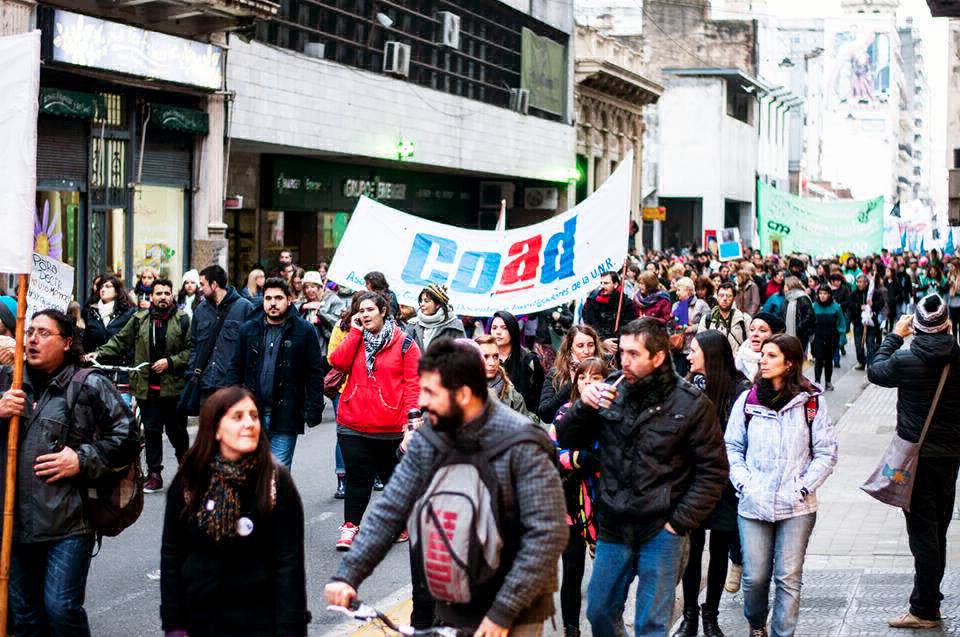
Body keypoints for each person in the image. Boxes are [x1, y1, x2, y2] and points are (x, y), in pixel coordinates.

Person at [325, 338, 567, 635]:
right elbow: (391, 508)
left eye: (431, 393)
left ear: (463, 394)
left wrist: (503, 612)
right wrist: (348, 574)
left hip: (515, 606)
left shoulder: (522, 443)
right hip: (455, 603)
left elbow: (546, 534)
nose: (421, 402)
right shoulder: (431, 437)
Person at [556, 317, 729, 637]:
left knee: (651, 622)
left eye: (634, 354)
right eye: (622, 352)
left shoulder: (691, 404)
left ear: (659, 357)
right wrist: (584, 407)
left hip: (662, 529)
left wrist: (679, 521)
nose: (624, 361)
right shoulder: (612, 390)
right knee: (600, 610)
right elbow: (565, 438)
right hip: (614, 524)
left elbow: (713, 471)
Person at [0, 309, 139, 637]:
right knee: (24, 618)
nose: (33, 339)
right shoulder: (9, 379)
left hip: (69, 523)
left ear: (66, 342)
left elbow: (128, 437)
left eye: (44, 333)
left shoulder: (88, 384)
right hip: (13, 523)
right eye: (30, 331)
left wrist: (82, 459)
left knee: (61, 610)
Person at [160, 386, 308, 637]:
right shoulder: (189, 482)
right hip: (201, 620)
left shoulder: (275, 482)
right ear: (215, 428)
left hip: (260, 623)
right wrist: (174, 624)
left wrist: (291, 629)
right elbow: (172, 555)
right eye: (237, 417)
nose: (249, 423)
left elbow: (289, 566)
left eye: (254, 416)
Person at [725, 334, 838, 637]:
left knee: (788, 577)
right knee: (755, 577)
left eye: (771, 356)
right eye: (762, 355)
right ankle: (756, 624)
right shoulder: (747, 401)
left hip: (797, 506)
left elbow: (826, 453)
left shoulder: (811, 402)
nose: (763, 360)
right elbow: (732, 447)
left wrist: (803, 487)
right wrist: (745, 484)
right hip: (753, 503)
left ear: (789, 363)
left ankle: (781, 633)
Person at [867, 295, 960, 629]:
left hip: (914, 459)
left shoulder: (906, 360)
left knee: (922, 532)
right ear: (948, 325)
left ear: (916, 327)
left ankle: (923, 609)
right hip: (950, 458)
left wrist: (894, 335)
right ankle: (931, 595)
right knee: (938, 528)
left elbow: (875, 370)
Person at [328, 291, 420, 550]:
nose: (364, 314)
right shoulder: (355, 338)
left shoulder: (405, 344)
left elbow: (414, 385)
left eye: (369, 310)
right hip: (352, 423)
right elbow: (337, 362)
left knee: (391, 478)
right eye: (360, 310)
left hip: (390, 427)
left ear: (383, 311)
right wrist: (355, 333)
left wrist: (410, 425)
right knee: (358, 477)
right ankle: (350, 527)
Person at [675, 330, 752, 637]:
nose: (688, 355)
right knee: (692, 550)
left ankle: (711, 615)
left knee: (720, 549)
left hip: (726, 483)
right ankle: (690, 615)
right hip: (693, 482)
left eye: (693, 350)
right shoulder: (686, 386)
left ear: (710, 354)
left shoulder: (740, 390)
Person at [89, 278, 192, 493]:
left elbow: (191, 351)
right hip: (146, 388)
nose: (163, 297)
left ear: (172, 295)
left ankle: (188, 470)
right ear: (151, 296)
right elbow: (120, 341)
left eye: (166, 293)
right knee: (152, 432)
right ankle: (154, 474)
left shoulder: (183, 320)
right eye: (159, 293)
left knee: (177, 433)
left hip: (173, 389)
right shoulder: (139, 319)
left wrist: (170, 362)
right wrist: (98, 354)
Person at [229, 278, 325, 469]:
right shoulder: (248, 329)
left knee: (278, 472)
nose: (272, 303)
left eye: (278, 298)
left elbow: (314, 372)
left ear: (289, 300)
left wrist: (314, 407)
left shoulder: (304, 331)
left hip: (286, 413)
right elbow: (235, 367)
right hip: (251, 413)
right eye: (268, 298)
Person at [549, 356, 611, 637]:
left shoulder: (613, 413)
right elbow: (550, 452)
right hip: (570, 499)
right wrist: (577, 458)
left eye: (595, 377)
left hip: (606, 501)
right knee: (572, 569)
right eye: (582, 377)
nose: (588, 382)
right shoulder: (564, 412)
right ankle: (571, 629)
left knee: (607, 573)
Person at [188, 265, 255, 403]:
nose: (199, 288)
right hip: (206, 386)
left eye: (202, 284)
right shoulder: (201, 310)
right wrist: (192, 371)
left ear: (214, 285)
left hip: (232, 388)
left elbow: (252, 348)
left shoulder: (244, 307)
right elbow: (193, 344)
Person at [537, 325, 602, 423]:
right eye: (580, 346)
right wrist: (572, 383)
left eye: (590, 345)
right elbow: (545, 414)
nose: (587, 351)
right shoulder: (556, 373)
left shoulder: (606, 371)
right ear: (570, 348)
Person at [490, 311, 545, 413]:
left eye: (504, 328)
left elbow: (538, 395)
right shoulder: (485, 359)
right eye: (494, 328)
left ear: (513, 330)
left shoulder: (529, 360)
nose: (498, 332)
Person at [477, 335, 537, 420]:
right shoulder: (459, 390)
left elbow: (527, 422)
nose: (492, 363)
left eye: (495, 356)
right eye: (485, 357)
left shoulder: (510, 392)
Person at [581, 270, 637, 349]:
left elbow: (629, 324)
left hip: (619, 346)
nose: (602, 286)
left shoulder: (625, 302)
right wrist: (603, 340)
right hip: (599, 344)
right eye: (601, 283)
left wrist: (614, 341)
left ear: (615, 284)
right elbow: (590, 322)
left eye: (606, 283)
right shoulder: (593, 300)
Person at [81, 275, 135, 355]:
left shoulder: (128, 312)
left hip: (121, 363)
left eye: (108, 287)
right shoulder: (91, 312)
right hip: (95, 363)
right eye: (101, 287)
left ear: (117, 291)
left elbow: (128, 341)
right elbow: (87, 341)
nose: (103, 290)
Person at [407, 284, 465, 352]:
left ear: (438, 304)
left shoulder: (455, 326)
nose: (422, 304)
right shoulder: (413, 325)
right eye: (421, 301)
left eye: (426, 301)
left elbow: (461, 355)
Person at [672, 276, 711, 377]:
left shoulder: (701, 305)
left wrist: (692, 328)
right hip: (679, 348)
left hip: (694, 348)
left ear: (688, 291)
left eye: (679, 290)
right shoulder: (676, 305)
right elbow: (671, 324)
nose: (677, 293)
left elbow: (709, 324)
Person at [698, 282, 750, 353]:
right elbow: (700, 344)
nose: (725, 299)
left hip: (736, 362)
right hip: (714, 362)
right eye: (721, 295)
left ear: (734, 298)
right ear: (717, 297)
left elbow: (749, 344)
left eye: (729, 296)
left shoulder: (744, 319)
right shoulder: (706, 319)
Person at [734, 312, 786, 381]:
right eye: (752, 329)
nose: (755, 334)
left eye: (762, 330)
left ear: (774, 336)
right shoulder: (738, 358)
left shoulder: (781, 364)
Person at [811, 286, 845, 391]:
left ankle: (828, 382)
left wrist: (841, 339)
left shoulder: (836, 307)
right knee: (818, 361)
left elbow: (841, 323)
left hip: (832, 338)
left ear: (829, 294)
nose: (822, 296)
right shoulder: (814, 306)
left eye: (825, 293)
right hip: (818, 337)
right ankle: (817, 382)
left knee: (829, 360)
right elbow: (810, 322)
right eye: (820, 293)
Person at [851, 273, 885, 370]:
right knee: (858, 344)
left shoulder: (874, 292)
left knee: (870, 344)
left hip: (871, 323)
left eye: (861, 282)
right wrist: (858, 307)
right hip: (858, 323)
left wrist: (872, 305)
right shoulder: (854, 294)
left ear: (866, 283)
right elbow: (850, 306)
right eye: (857, 282)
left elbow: (881, 304)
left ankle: (870, 364)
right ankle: (861, 362)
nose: (859, 284)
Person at [782, 277, 815, 354]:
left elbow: (809, 316)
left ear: (791, 286)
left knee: (797, 355)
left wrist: (798, 328)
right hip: (788, 334)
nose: (784, 288)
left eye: (785, 285)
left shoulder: (802, 298)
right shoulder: (787, 299)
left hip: (800, 334)